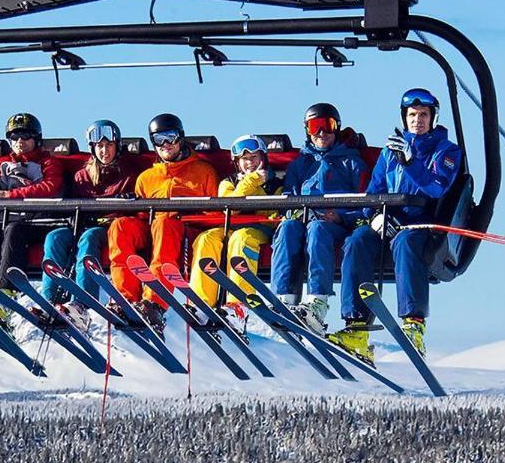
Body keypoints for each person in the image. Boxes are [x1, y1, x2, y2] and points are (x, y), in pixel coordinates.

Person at [329, 88, 462, 362]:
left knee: (405, 242)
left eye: (423, 115)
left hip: (421, 224)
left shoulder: (445, 151)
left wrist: (412, 162)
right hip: (389, 219)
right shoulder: (391, 152)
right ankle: (356, 326)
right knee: (357, 241)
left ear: (433, 118)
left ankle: (414, 324)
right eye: (412, 115)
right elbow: (374, 191)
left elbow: (435, 188)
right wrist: (376, 213)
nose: (417, 120)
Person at [107, 113, 219, 333]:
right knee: (120, 225)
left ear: (181, 138)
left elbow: (214, 213)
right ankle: (126, 299)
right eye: (159, 139)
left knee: (165, 222)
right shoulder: (147, 177)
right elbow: (140, 218)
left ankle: (154, 302)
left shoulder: (203, 171)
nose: (166, 144)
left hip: (188, 230)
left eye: (171, 137)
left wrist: (187, 215)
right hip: (154, 229)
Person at [269, 103, 368, 334]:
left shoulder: (351, 162)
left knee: (317, 229)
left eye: (328, 126)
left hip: (335, 225)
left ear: (337, 129)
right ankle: (283, 298)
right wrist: (292, 212)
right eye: (315, 127)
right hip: (304, 218)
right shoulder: (300, 164)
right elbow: (288, 196)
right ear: (307, 131)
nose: (322, 133)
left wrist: (341, 216)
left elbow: (366, 201)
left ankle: (317, 300)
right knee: (287, 228)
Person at [0, 113, 64, 322]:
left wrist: (9, 195)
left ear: (36, 139)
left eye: (25, 136)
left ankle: (5, 293)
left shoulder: (49, 163)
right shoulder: (4, 166)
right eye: (15, 137)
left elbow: (50, 188)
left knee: (14, 229)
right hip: (6, 219)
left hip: (38, 221)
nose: (20, 141)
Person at [39, 119, 139, 331]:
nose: (104, 151)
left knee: (89, 238)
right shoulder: (83, 175)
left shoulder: (127, 173)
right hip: (81, 223)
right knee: (55, 237)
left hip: (108, 226)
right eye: (100, 147)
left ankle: (83, 301)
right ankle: (49, 299)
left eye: (109, 146)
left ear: (117, 146)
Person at [188, 135, 281, 334]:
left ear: (263, 158)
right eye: (245, 159)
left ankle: (238, 305)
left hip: (259, 229)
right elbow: (231, 206)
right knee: (206, 238)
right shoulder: (227, 183)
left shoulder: (275, 183)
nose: (250, 163)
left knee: (242, 239)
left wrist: (255, 183)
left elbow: (270, 210)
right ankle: (200, 302)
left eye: (254, 158)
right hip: (230, 225)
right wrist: (251, 182)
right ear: (237, 162)